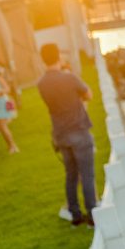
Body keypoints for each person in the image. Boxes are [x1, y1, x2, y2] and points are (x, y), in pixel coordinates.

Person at [37, 43, 98, 228]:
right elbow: (88, 94)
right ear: (58, 56)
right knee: (87, 176)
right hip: (79, 130)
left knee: (70, 175)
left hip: (61, 134)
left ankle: (75, 216)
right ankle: (93, 215)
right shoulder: (69, 78)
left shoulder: (41, 84)